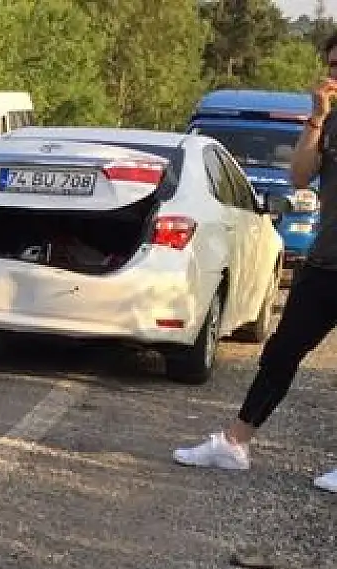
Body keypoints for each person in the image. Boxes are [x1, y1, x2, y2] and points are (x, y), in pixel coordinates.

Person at [173, 36, 337, 495]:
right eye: (331, 64)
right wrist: (316, 120)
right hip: (325, 263)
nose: (334, 73)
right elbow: (299, 176)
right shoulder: (329, 122)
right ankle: (234, 443)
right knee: (281, 353)